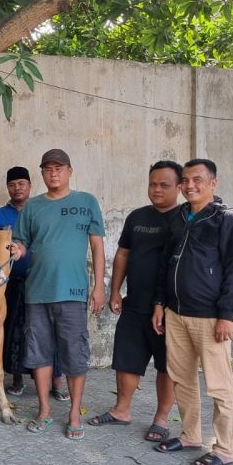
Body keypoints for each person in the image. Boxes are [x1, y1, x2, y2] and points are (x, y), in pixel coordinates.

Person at [152, 158, 233, 465]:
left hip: (210, 317)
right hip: (176, 313)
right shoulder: (180, 216)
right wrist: (159, 303)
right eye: (185, 180)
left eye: (197, 180)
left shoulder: (228, 220)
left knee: (219, 386)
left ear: (212, 183)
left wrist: (227, 314)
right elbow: (166, 263)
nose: (190, 186)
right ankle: (191, 435)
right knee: (182, 379)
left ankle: (223, 450)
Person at [10, 149, 106, 440]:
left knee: (74, 354)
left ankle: (74, 413)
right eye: (47, 169)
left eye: (58, 168)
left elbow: (98, 247)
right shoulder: (32, 207)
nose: (53, 173)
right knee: (38, 354)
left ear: (69, 171)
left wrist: (99, 286)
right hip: (37, 291)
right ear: (42, 173)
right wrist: (16, 250)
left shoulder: (86, 202)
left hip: (73, 293)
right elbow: (22, 243)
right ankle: (44, 411)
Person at [89, 161, 181, 442]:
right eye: (153, 183)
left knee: (168, 366)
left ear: (179, 187)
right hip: (136, 303)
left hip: (171, 309)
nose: (156, 189)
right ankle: (121, 410)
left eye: (164, 185)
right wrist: (115, 291)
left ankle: (162, 418)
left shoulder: (186, 220)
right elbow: (123, 254)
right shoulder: (137, 217)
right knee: (126, 359)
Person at [0, 166, 55, 398]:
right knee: (14, 331)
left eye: (21, 184)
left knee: (45, 330)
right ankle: (16, 380)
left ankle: (55, 383)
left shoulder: (41, 209)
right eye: (12, 184)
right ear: (8, 188)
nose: (17, 188)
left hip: (42, 280)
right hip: (11, 283)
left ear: (29, 186)